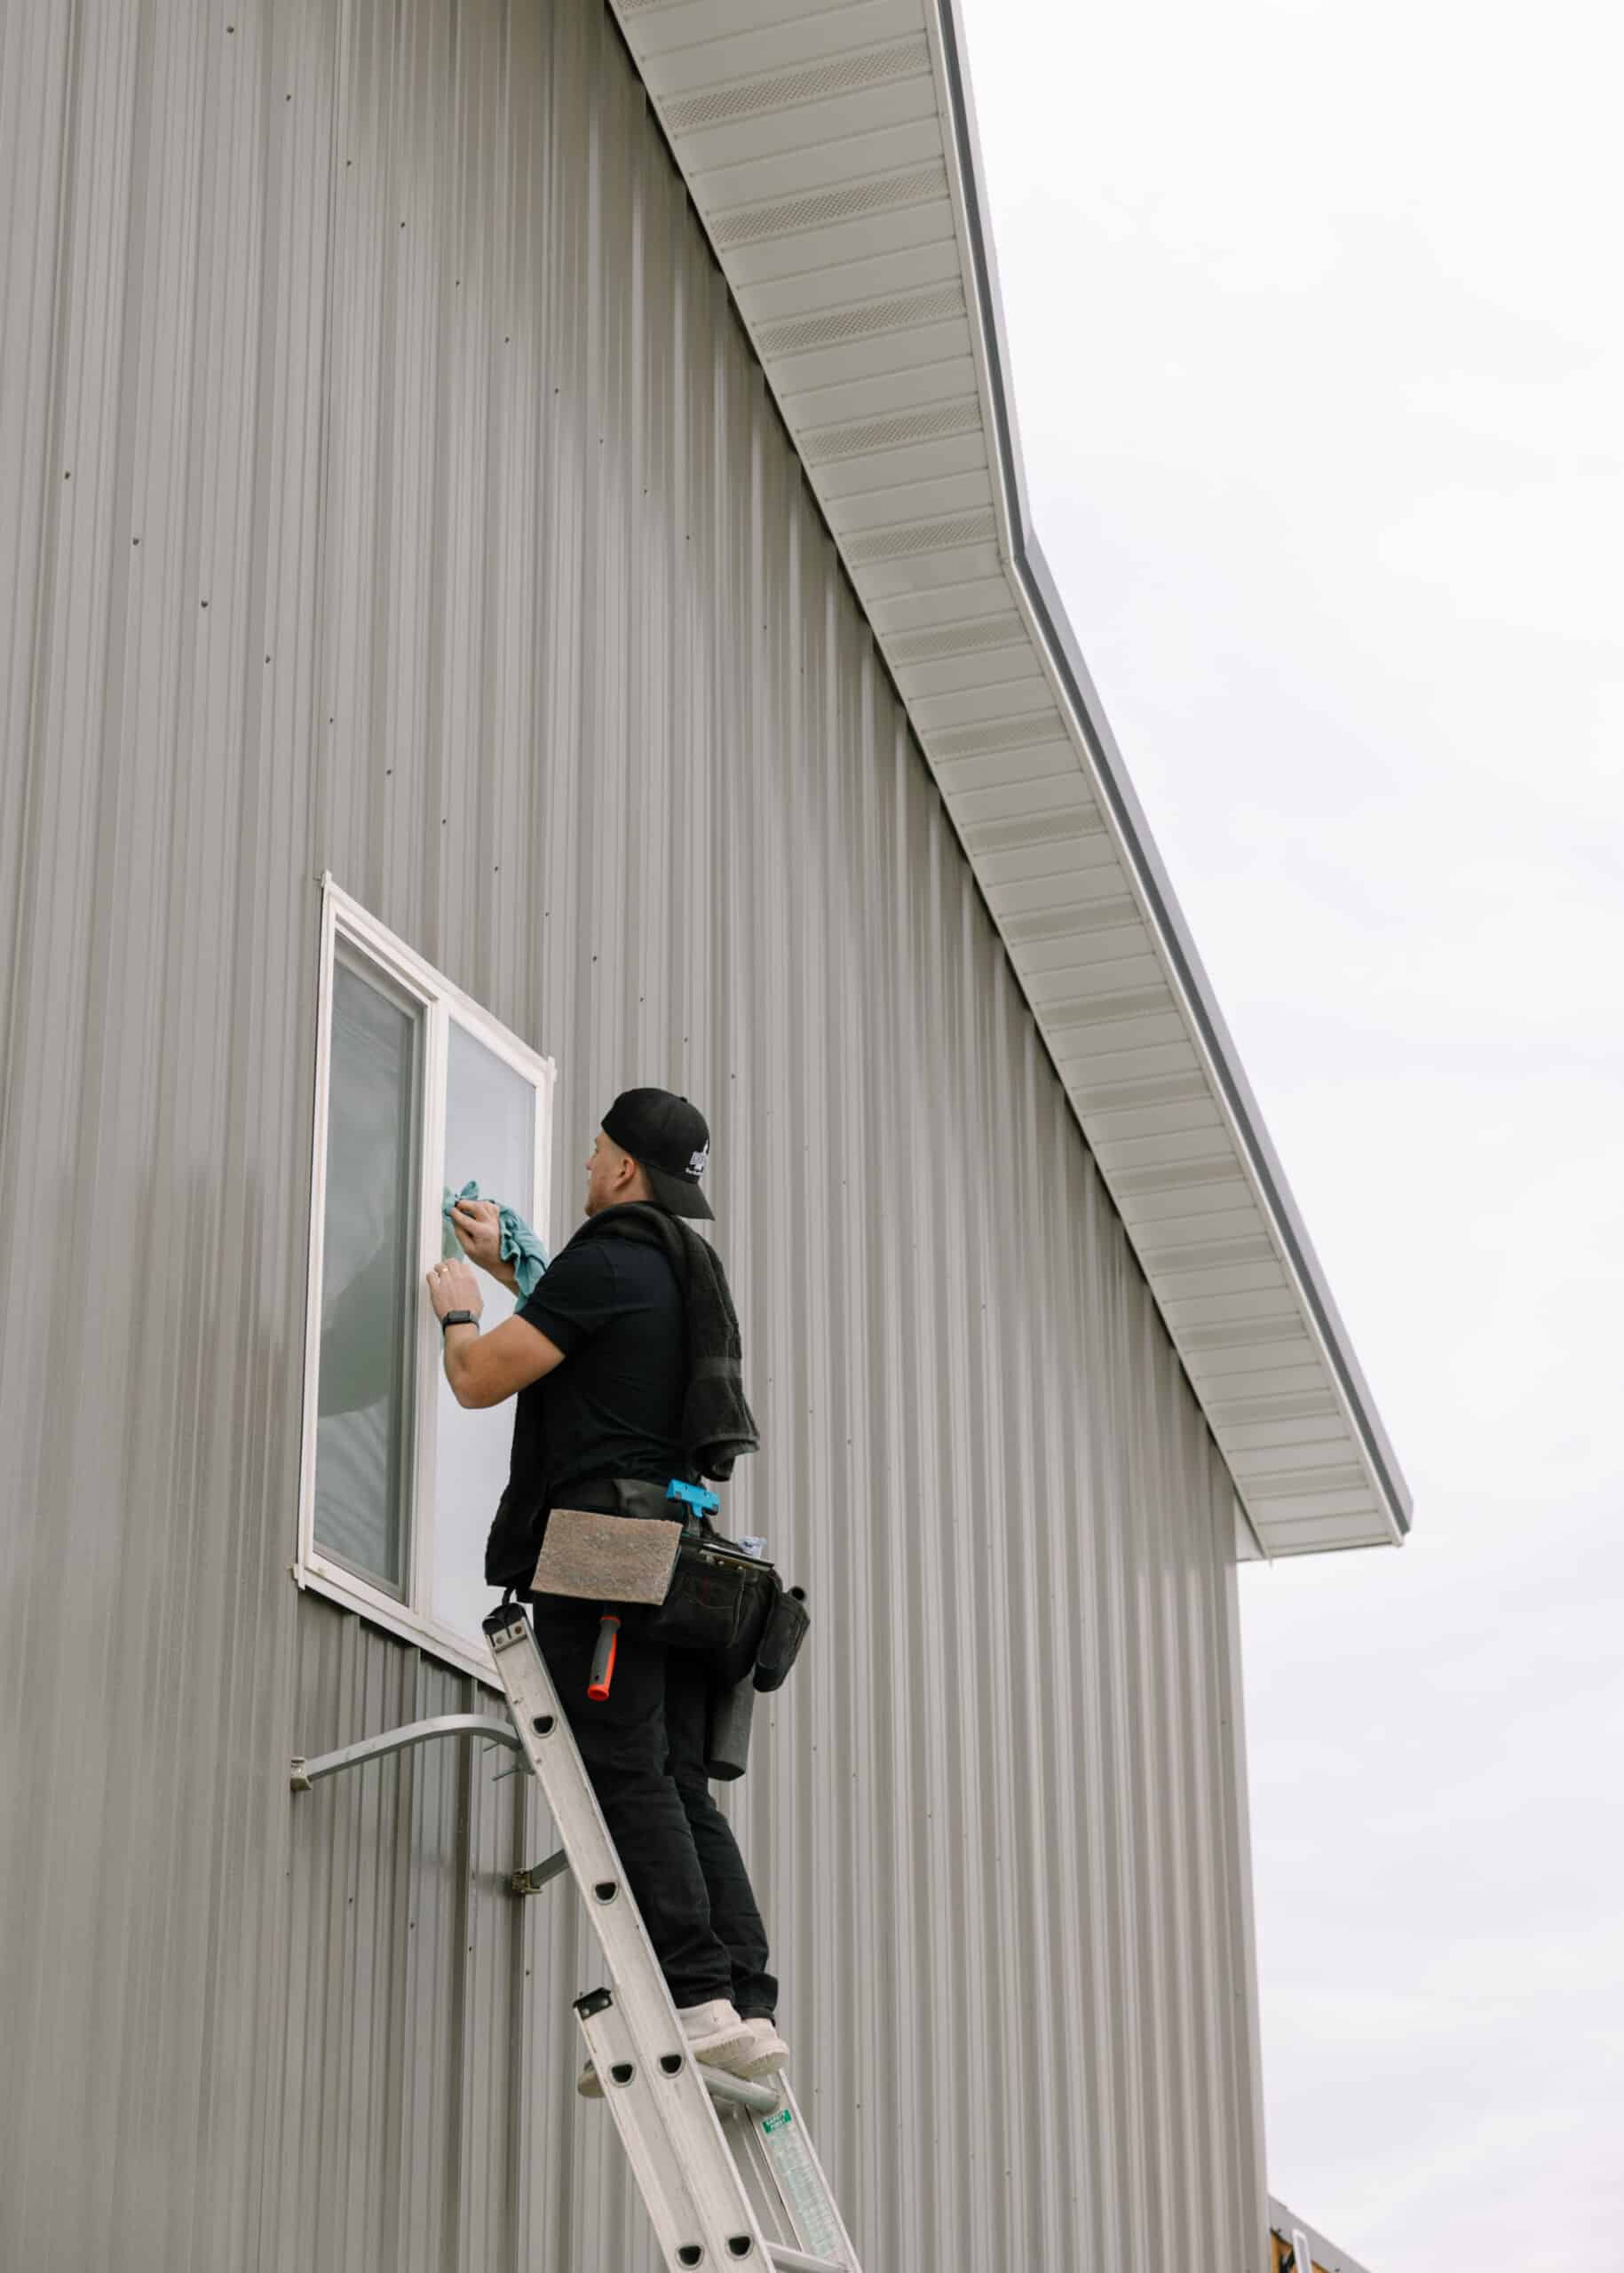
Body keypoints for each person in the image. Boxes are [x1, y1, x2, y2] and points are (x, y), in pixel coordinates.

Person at [424, 1087, 787, 2092]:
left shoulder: (609, 1259)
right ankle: (742, 2002)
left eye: (593, 1156)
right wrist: (518, 1265)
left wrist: (461, 1309)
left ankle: (690, 1994)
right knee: (675, 1776)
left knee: (622, 1769)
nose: (586, 1172)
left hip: (601, 1548)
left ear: (623, 1167)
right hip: (682, 1551)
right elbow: (589, 1334)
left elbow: (481, 1375)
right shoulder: (678, 1268)